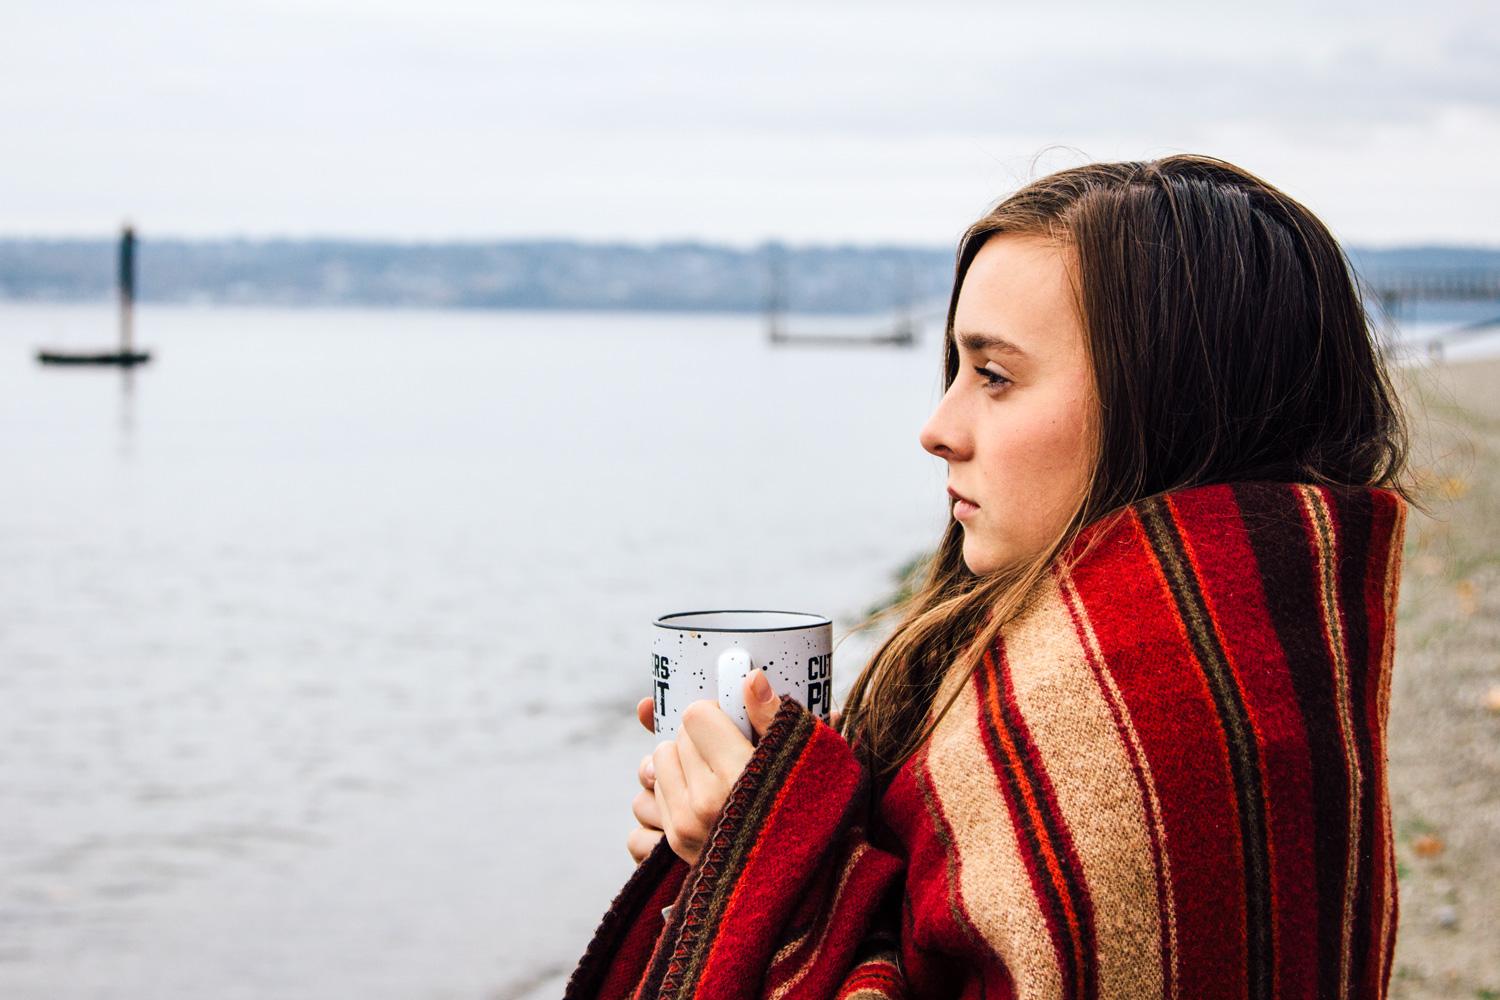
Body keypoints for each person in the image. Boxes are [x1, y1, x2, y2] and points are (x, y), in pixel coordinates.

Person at [566, 154, 1414, 1000]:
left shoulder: (1144, 731)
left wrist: (770, 873)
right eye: (957, 370)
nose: (937, 428)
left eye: (996, 375)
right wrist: (729, 853)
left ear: (1170, 405)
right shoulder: (1251, 649)